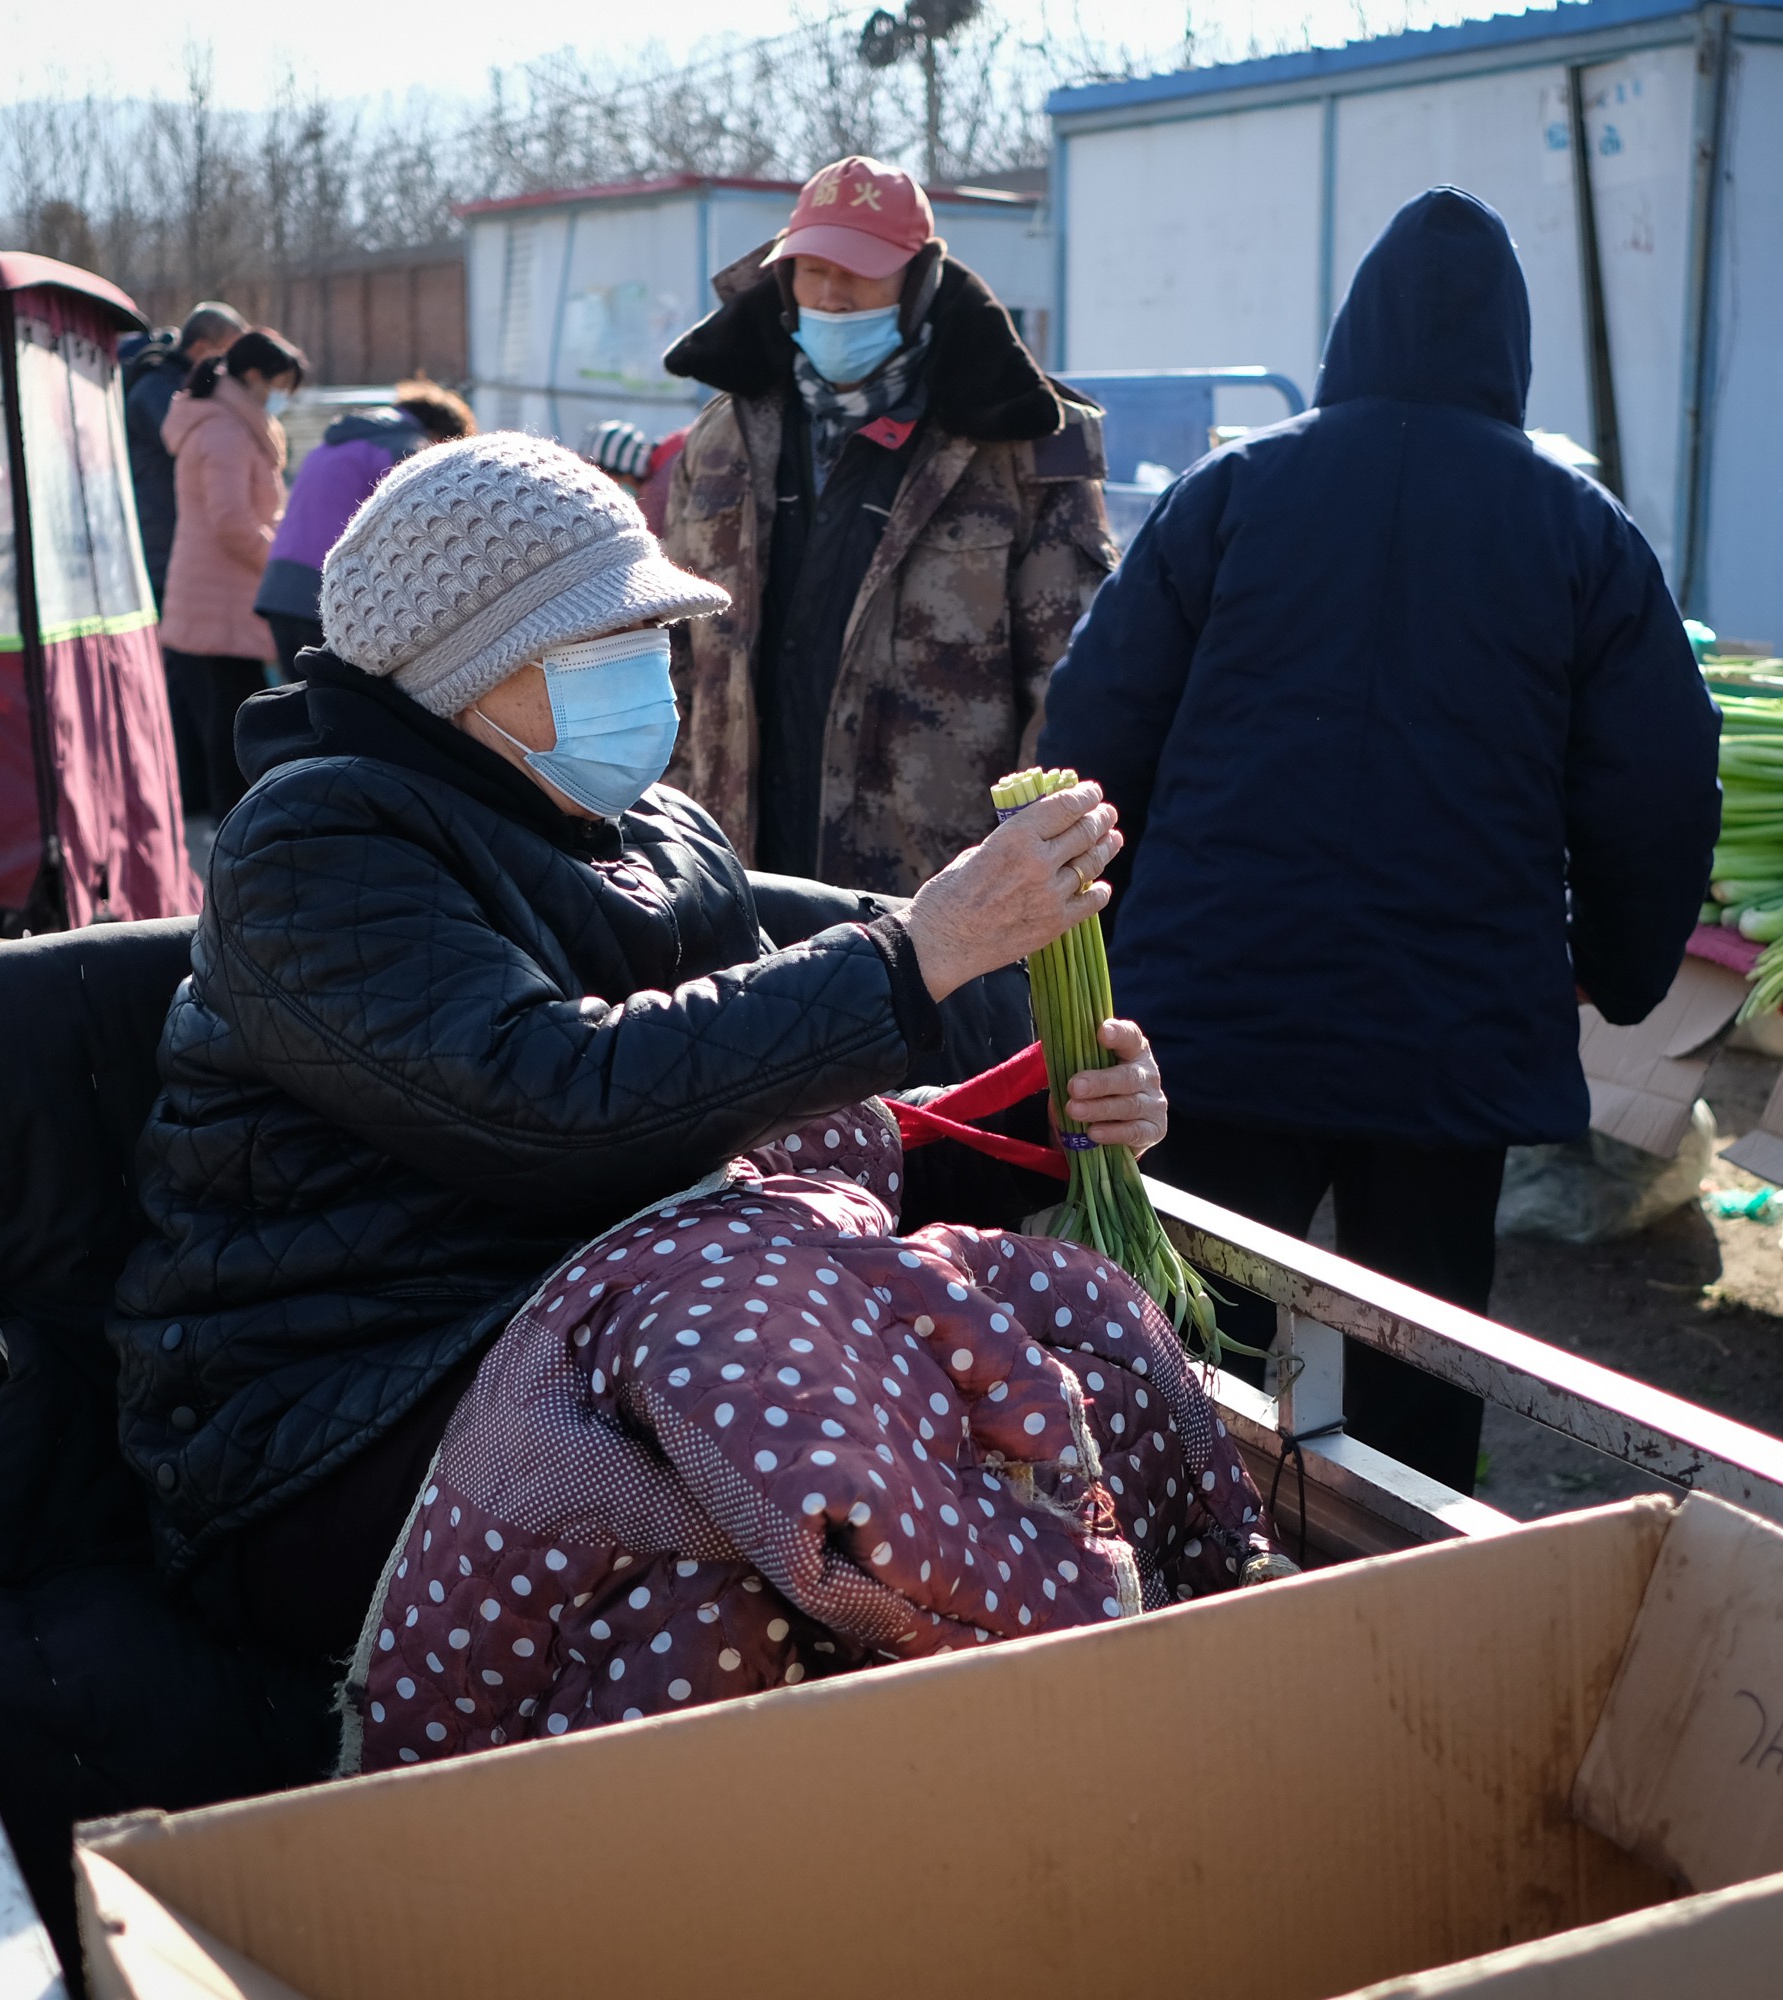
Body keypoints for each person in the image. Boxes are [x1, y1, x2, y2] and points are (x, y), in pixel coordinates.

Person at [110, 430, 1205, 1681]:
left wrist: (1048, 1116)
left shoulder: (657, 833)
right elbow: (549, 1104)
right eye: (598, 643)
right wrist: (915, 953)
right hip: (340, 1420)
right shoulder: (315, 843)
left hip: (621, 1337)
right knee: (775, 1543)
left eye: (651, 634)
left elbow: (758, 1130)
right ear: (462, 669)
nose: (648, 672)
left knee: (1021, 1378)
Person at [1038, 187, 1722, 1493]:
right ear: (1509, 350)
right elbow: (1665, 783)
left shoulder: (1233, 490)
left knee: (1195, 1357)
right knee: (1420, 1366)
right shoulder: (1580, 529)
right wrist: (1620, 969)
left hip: (1216, 1015)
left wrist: (1097, 950)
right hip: (1449, 1032)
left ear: (1353, 329)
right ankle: (1395, 1629)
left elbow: (1095, 721)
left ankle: (1178, 1609)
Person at [660, 154, 1115, 895]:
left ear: (919, 283)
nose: (833, 297)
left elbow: (1069, 684)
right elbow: (670, 654)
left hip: (935, 891)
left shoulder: (1022, 446)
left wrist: (1027, 873)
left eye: (860, 272)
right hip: (739, 874)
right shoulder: (720, 442)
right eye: (812, 271)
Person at [159, 327, 305, 816]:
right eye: (277, 384)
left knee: (213, 715)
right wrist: (277, 562)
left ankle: (214, 816)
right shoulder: (224, 432)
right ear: (252, 376)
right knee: (231, 719)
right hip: (221, 599)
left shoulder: (229, 424)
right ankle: (233, 821)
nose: (279, 397)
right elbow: (230, 521)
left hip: (211, 595)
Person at [253, 379, 473, 677]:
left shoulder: (339, 441)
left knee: (299, 707)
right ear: (441, 437)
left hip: (280, 588)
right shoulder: (406, 449)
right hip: (328, 598)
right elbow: (423, 532)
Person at [121, 301, 248, 602]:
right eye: (227, 354)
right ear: (203, 348)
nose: (230, 368)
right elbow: (193, 446)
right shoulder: (155, 389)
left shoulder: (188, 386)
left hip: (180, 537)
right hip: (160, 539)